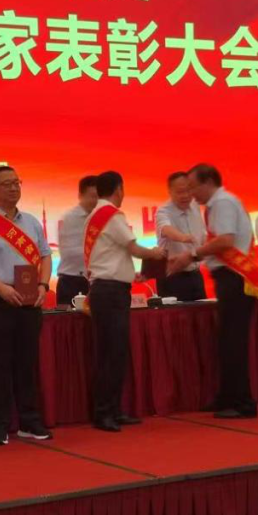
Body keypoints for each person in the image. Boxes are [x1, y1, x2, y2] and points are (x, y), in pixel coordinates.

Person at [0, 166, 54, 444]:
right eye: (7, 184)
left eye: (17, 183)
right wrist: (1, 288)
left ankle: (30, 421)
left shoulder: (31, 222)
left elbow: (45, 255)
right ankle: (0, 425)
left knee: (27, 362)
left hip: (29, 298)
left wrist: (43, 285)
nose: (14, 188)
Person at [84, 171, 165, 432]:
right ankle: (104, 412)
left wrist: (131, 273)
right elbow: (134, 248)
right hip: (110, 292)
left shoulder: (94, 216)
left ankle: (114, 409)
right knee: (112, 353)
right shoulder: (111, 215)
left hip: (107, 289)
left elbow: (113, 255)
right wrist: (156, 253)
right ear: (119, 189)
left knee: (114, 352)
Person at [186, 164, 258, 419]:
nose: (191, 193)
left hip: (235, 277)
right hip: (231, 277)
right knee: (227, 340)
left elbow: (225, 241)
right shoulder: (219, 203)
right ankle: (228, 396)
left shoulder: (222, 203)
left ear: (208, 182)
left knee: (233, 341)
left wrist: (193, 254)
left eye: (193, 186)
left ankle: (243, 402)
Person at [155, 172, 207, 302]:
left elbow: (202, 234)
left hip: (195, 273)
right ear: (170, 192)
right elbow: (166, 229)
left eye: (188, 190)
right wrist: (183, 237)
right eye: (180, 192)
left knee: (203, 311)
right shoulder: (163, 211)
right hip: (173, 277)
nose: (185, 195)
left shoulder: (195, 205)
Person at [56, 176, 99, 305]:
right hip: (71, 281)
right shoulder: (70, 218)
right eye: (92, 196)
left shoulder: (102, 217)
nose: (96, 200)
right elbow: (69, 252)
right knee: (66, 317)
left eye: (99, 196)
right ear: (80, 195)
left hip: (97, 282)